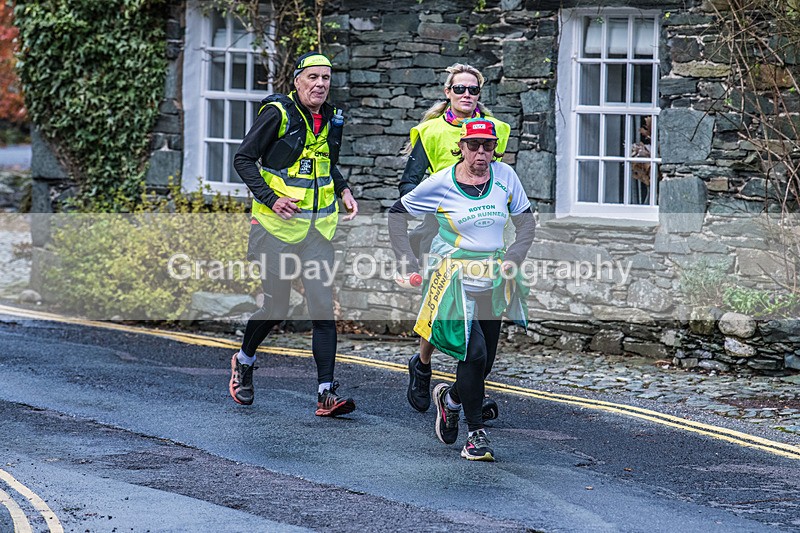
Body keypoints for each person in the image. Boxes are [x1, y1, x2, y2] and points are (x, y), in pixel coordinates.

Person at [388, 118, 536, 461]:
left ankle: (450, 400)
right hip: (452, 281)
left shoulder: (505, 177)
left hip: (492, 279)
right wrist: (408, 261)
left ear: (495, 148)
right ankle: (475, 435)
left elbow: (526, 222)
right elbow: (397, 215)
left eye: (487, 146)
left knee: (482, 366)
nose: (480, 153)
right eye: (474, 146)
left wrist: (514, 255)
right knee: (473, 354)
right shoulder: (441, 182)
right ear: (462, 147)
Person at [229, 51, 359, 417]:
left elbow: (326, 163)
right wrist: (271, 199)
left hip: (317, 231)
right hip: (275, 230)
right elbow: (243, 159)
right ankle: (244, 361)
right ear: (297, 81)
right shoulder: (278, 114)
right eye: (313, 77)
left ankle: (325, 392)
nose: (320, 84)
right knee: (277, 307)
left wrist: (343, 187)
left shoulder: (333, 117)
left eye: (326, 78)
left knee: (322, 309)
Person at [398, 63, 511, 420]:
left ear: (480, 94)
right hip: (440, 232)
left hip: (482, 232)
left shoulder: (497, 130)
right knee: (441, 307)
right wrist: (440, 203)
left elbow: (495, 177)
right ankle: (423, 362)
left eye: (473, 90)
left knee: (480, 311)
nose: (466, 95)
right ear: (447, 92)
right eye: (459, 89)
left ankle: (467, 391)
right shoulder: (429, 131)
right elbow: (408, 184)